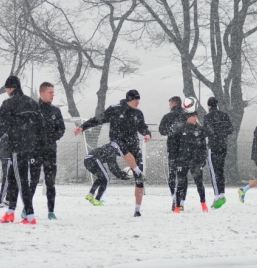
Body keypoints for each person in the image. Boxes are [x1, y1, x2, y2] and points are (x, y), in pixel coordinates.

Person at [75, 89, 151, 217]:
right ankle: (137, 170)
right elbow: (97, 119)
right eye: (135, 99)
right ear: (129, 99)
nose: (138, 102)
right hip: (117, 142)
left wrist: (147, 133)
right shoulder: (115, 109)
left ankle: (137, 210)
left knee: (139, 181)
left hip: (133, 145)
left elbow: (142, 127)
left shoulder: (138, 113)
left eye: (139, 99)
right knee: (119, 146)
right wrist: (83, 127)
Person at [0, 76, 45, 225]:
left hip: (18, 146)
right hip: (32, 147)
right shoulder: (32, 103)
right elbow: (41, 127)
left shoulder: (8, 104)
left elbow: (1, 126)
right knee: (13, 178)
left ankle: (30, 216)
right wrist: (39, 146)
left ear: (10, 88)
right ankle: (10, 212)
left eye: (6, 89)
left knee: (21, 180)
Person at [36, 82, 65, 220]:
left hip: (50, 152)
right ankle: (26, 208)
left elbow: (62, 129)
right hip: (35, 152)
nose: (53, 95)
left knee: (50, 182)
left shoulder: (55, 111)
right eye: (50, 92)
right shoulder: (33, 110)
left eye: (54, 92)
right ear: (42, 93)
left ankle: (51, 211)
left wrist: (51, 137)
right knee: (32, 181)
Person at [169, 111, 208, 213]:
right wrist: (174, 160)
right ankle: (177, 206)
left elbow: (204, 145)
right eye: (193, 116)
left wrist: (203, 158)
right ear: (187, 117)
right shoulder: (181, 129)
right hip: (182, 161)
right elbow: (174, 146)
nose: (195, 118)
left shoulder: (199, 129)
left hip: (196, 161)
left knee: (199, 183)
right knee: (180, 183)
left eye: (196, 116)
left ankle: (204, 205)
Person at [204, 97, 234, 209]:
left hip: (213, 146)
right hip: (223, 146)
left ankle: (217, 197)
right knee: (220, 170)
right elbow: (231, 129)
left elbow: (207, 132)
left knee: (213, 171)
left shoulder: (208, 117)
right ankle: (222, 193)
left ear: (209, 106)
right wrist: (222, 133)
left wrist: (214, 133)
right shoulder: (224, 115)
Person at [158, 96, 185, 210]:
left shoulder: (168, 116)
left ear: (173, 104)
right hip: (184, 149)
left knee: (172, 174)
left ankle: (174, 196)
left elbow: (161, 130)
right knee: (182, 175)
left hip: (172, 149)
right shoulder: (186, 116)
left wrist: (171, 131)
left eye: (170, 104)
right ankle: (182, 200)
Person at [0, 135, 11, 208]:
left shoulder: (5, 135)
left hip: (6, 158)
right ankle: (0, 201)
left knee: (10, 180)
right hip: (8, 158)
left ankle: (7, 199)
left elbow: (1, 148)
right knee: (7, 180)